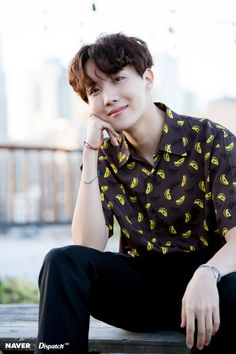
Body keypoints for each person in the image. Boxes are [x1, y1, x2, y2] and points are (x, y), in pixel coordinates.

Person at [35, 33, 236, 354]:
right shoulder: (105, 154)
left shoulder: (209, 139)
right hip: (143, 289)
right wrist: (90, 154)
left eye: (117, 79)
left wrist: (207, 273)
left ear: (147, 78)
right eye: (95, 89)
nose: (108, 96)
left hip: (211, 290)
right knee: (62, 262)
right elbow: (89, 245)